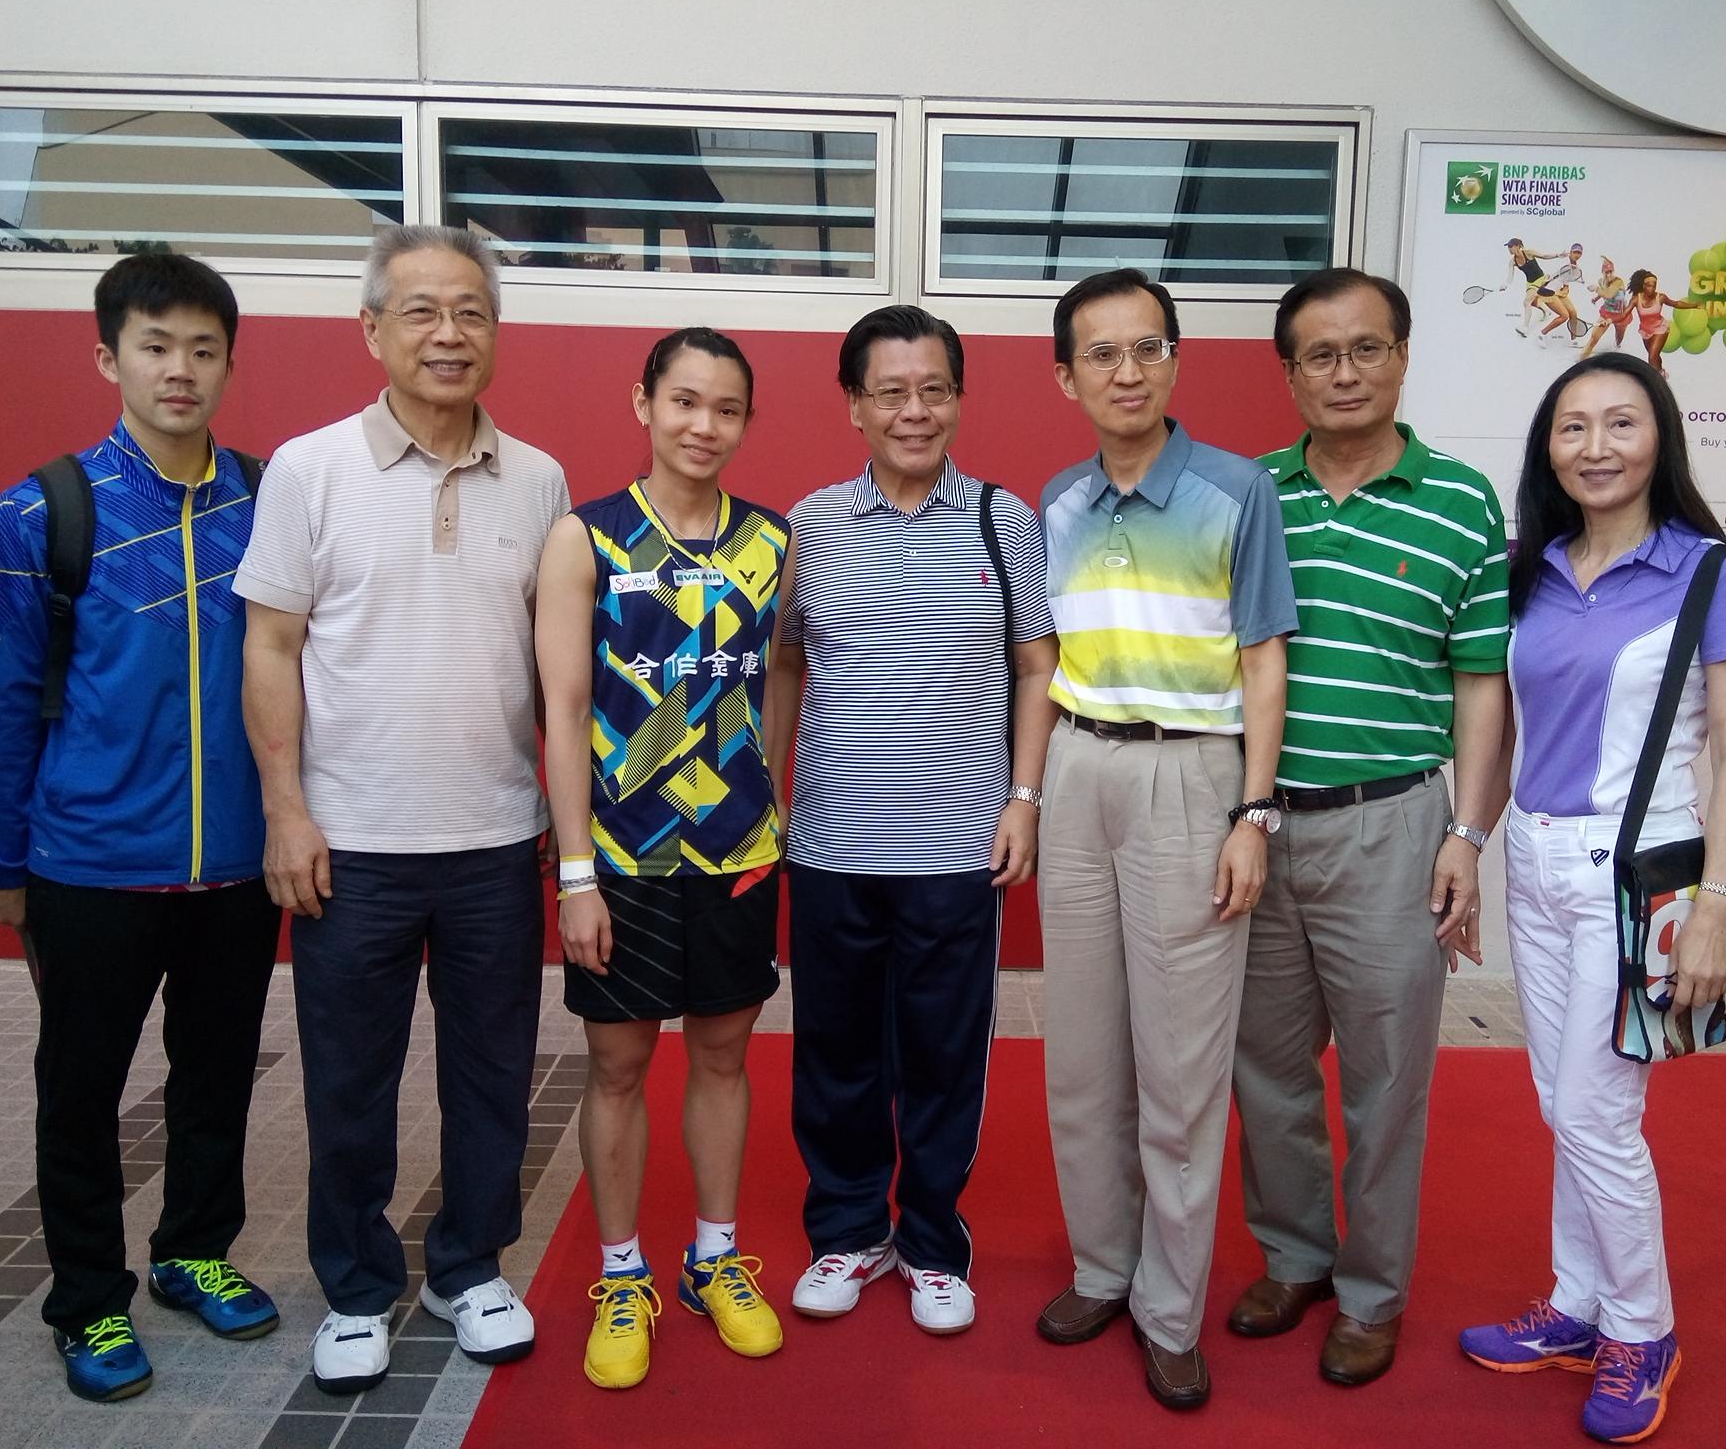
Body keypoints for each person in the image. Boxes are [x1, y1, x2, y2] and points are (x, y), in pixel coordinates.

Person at [236, 225, 570, 1394]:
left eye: (471, 311)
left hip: (492, 838)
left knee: (492, 1073)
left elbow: (557, 673)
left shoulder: (537, 480)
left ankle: (468, 1267)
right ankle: (358, 1287)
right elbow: (269, 647)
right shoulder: (308, 468)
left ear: (495, 333)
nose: (448, 333)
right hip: (351, 843)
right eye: (421, 311)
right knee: (348, 1081)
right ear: (371, 330)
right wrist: (286, 809)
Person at [0, 253, 278, 1403]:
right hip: (87, 864)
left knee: (217, 1077)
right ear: (109, 357)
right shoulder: (42, 510)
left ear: (230, 362)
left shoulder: (266, 498)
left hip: (239, 868)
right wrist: (1, 861)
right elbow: (0, 698)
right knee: (80, 1089)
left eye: (202, 348)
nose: (179, 370)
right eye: (155, 346)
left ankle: (194, 1250)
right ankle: (88, 1301)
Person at [1457, 352, 1726, 1444]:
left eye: (1619, 423)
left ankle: (1641, 1328)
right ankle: (1577, 1304)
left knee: (1594, 1110)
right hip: (1534, 862)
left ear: (1658, 438)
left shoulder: (1711, 571)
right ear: (1546, 447)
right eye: (1571, 427)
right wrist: (1471, 842)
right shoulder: (1528, 569)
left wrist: (1718, 908)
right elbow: (1502, 727)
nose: (1594, 446)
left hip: (1637, 876)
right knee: (1562, 1101)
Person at [1228, 268, 1507, 1388]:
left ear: (1401, 356)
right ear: (1286, 371)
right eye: (1317, 355)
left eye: (1365, 349)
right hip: (1256, 827)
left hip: (1392, 827)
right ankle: (1293, 1255)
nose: (1343, 373)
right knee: (1265, 1067)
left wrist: (1468, 835)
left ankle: (1372, 1292)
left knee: (1387, 1079)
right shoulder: (1248, 494)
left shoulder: (1464, 502)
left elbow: (1479, 683)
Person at [767, 305, 1059, 1338]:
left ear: (958, 399)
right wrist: (772, 797)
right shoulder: (806, 525)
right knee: (835, 1055)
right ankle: (845, 1233)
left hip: (957, 850)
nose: (913, 409)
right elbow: (786, 664)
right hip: (833, 848)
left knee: (942, 1056)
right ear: (853, 406)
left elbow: (1037, 666)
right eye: (889, 391)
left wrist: (1023, 798)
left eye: (932, 389)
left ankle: (933, 1243)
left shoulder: (1002, 519)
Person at [1033, 269, 1295, 1412]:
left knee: (1181, 1068)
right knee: (1082, 1054)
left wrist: (1252, 809)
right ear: (1065, 376)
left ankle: (1169, 1310)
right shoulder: (1058, 501)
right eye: (1101, 353)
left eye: (1146, 349)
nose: (1125, 371)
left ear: (1175, 363)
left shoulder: (1236, 494)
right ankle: (1101, 1266)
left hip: (1193, 778)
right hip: (1081, 765)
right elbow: (1042, 668)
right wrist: (1031, 794)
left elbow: (1260, 662)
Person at [535, 328, 791, 1390]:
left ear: (744, 422)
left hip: (736, 855)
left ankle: (715, 1258)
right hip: (623, 862)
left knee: (725, 1057)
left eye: (724, 409)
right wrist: (575, 872)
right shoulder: (583, 538)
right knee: (620, 1066)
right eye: (683, 401)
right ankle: (622, 1271)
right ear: (643, 402)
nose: (702, 426)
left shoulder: (772, 541)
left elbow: (778, 680)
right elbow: (558, 711)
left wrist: (764, 801)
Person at [1626, 269, 1700, 374]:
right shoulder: (1636, 299)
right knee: (1655, 357)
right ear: (1643, 286)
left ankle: (1656, 382)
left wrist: (1694, 305)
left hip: (1660, 328)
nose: (1652, 288)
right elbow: (1624, 313)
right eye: (1648, 285)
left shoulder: (1660, 297)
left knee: (1652, 357)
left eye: (1654, 285)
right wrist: (1608, 320)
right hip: (1646, 331)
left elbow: (1676, 304)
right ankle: (1661, 372)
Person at [1581, 257, 1635, 357]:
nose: (1609, 274)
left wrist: (1595, 289)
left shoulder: (1618, 282)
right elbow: (1604, 291)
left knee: (1619, 338)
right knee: (1593, 339)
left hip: (1621, 315)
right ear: (1602, 272)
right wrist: (1596, 298)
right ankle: (1581, 359)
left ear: (1613, 271)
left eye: (1611, 271)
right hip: (1607, 312)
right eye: (1606, 272)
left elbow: (1609, 295)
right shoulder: (1601, 281)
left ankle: (1617, 347)